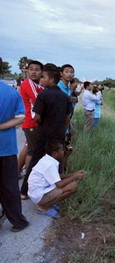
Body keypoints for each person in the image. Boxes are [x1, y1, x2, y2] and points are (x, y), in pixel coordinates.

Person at [21, 64, 72, 198]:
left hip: (43, 133)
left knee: (35, 161)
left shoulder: (43, 96)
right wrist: (61, 128)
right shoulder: (65, 97)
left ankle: (24, 192)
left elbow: (37, 116)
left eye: (43, 76)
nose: (41, 79)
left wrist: (42, 124)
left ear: (51, 79)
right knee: (57, 162)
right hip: (58, 135)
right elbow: (68, 118)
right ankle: (55, 192)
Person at [0, 78, 30, 232]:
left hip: (6, 148)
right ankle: (18, 221)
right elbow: (21, 117)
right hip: (6, 147)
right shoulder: (10, 92)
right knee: (10, 186)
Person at [28, 141, 86, 219]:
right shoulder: (50, 164)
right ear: (55, 153)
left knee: (69, 184)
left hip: (36, 193)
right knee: (73, 186)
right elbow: (59, 184)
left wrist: (74, 173)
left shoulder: (47, 159)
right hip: (39, 195)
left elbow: (57, 176)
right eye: (61, 150)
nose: (63, 152)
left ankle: (46, 203)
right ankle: (44, 206)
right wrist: (75, 177)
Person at [19, 60, 44, 193]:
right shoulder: (28, 83)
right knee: (33, 152)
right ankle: (29, 180)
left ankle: (19, 173)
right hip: (31, 122)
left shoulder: (37, 84)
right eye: (31, 69)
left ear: (41, 72)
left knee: (29, 148)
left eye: (37, 69)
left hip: (33, 122)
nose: (34, 72)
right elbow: (39, 100)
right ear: (27, 71)